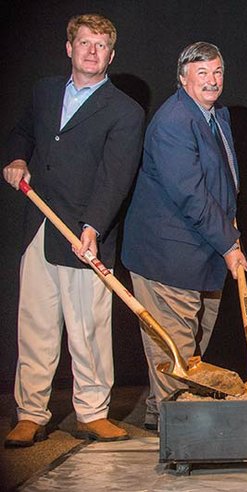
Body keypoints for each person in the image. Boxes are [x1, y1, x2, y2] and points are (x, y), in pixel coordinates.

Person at [2, 14, 144, 447]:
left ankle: (93, 412)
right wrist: (19, 158)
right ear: (69, 48)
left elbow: (116, 177)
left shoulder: (125, 110)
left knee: (89, 330)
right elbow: (22, 132)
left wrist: (93, 227)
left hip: (84, 233)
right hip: (40, 226)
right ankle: (30, 413)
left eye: (100, 45)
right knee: (36, 325)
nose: (91, 51)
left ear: (111, 55)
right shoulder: (45, 91)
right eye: (84, 43)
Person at [121, 42, 247, 431]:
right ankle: (180, 435)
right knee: (174, 346)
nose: (212, 81)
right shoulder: (174, 121)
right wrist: (228, 244)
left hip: (203, 247)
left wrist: (230, 231)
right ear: (182, 79)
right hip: (168, 253)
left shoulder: (214, 115)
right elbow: (190, 194)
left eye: (217, 72)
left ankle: (161, 413)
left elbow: (220, 181)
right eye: (201, 74)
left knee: (191, 345)